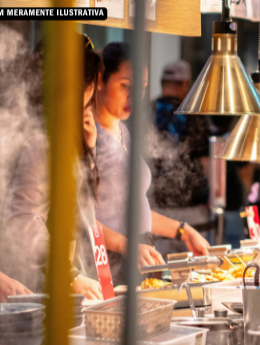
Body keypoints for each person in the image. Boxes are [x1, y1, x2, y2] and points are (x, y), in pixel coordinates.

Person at [0, 35, 105, 300]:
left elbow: (83, 211)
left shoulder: (61, 135)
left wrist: (89, 151)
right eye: (90, 82)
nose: (94, 91)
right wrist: (69, 275)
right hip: (47, 290)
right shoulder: (41, 142)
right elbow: (24, 220)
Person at [95, 42, 210, 286]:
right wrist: (125, 244)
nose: (134, 96)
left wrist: (183, 230)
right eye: (125, 85)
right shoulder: (88, 136)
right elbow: (79, 220)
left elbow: (135, 210)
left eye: (142, 86)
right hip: (109, 261)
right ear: (100, 80)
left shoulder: (122, 131)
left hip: (139, 255)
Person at [150, 60, 213, 255]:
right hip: (192, 214)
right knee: (197, 269)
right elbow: (206, 162)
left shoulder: (146, 112)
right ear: (185, 84)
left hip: (156, 214)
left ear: (162, 83)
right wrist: (212, 198)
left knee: (158, 272)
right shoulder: (193, 115)